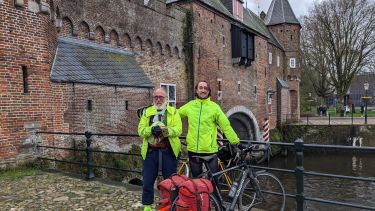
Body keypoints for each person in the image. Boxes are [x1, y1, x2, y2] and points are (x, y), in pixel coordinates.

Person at [178, 80, 240, 177]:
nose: (203, 90)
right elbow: (175, 115)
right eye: (200, 88)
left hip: (209, 151)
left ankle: (214, 192)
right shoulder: (190, 105)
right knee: (197, 182)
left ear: (209, 91)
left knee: (214, 181)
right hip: (193, 150)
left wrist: (235, 141)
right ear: (196, 91)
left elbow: (226, 126)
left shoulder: (214, 107)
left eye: (205, 88)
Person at [138, 88, 182, 211]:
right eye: (156, 97)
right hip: (151, 151)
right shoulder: (147, 112)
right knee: (148, 180)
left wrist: (164, 130)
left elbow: (178, 130)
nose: (158, 99)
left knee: (170, 181)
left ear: (166, 99)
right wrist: (151, 130)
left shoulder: (173, 112)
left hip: (168, 150)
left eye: (161, 97)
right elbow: (141, 131)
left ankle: (170, 205)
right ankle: (147, 206)